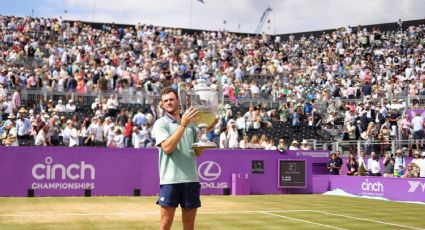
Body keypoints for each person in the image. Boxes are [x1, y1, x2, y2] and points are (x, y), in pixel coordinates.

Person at [152, 87, 217, 230]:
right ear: (162, 104)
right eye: (165, 100)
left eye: (171, 99)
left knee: (189, 226)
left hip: (191, 180)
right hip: (170, 181)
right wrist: (183, 124)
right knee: (165, 225)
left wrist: (207, 131)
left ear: (178, 101)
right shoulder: (161, 123)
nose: (169, 102)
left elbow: (198, 153)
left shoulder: (192, 124)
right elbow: (168, 148)